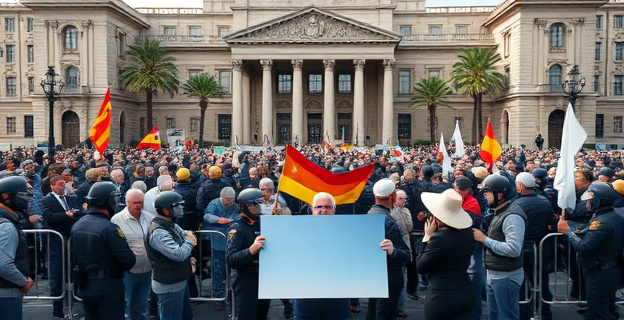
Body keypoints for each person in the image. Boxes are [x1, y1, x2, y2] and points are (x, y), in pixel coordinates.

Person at [558, 182, 624, 320]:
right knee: (607, 310)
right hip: (608, 271)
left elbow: (584, 247)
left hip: (600, 273)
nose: (587, 201)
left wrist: (567, 232)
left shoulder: (601, 222)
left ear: (599, 201)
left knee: (599, 313)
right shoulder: (612, 216)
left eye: (591, 199)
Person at [70, 181, 136, 319]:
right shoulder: (109, 228)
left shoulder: (78, 225)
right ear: (108, 201)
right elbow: (128, 260)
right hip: (108, 286)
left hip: (86, 284)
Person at [472, 174, 527, 320]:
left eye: (487, 192)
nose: (484, 196)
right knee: (495, 316)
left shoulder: (511, 216)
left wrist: (484, 239)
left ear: (500, 194)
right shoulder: (500, 211)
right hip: (496, 274)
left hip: (506, 276)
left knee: (506, 316)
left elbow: (513, 249)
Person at [417, 188, 475, 320]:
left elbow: (421, 267)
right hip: (465, 292)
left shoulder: (439, 238)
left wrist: (427, 237)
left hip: (442, 297)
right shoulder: (468, 234)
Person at [293, 192, 351, 320]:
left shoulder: (346, 231)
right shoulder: (298, 231)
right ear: (312, 209)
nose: (323, 210)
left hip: (337, 295)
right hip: (306, 296)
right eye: (319, 207)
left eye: (327, 207)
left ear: (334, 210)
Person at [146, 191, 196, 320]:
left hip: (178, 280)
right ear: (165, 210)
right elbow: (179, 254)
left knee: (185, 316)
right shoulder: (158, 232)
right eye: (177, 206)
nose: (181, 208)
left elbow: (184, 234)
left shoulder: (169, 224)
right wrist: (189, 241)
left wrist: (188, 247)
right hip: (169, 285)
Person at [41, 174, 85, 319]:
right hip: (56, 244)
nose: (63, 187)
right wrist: (67, 215)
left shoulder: (72, 198)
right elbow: (50, 217)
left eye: (64, 184)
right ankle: (57, 311)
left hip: (73, 242)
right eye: (60, 184)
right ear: (52, 186)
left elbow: (80, 213)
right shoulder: (47, 200)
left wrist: (72, 214)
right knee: (57, 276)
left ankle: (74, 305)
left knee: (75, 273)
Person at [366, 178, 411, 320]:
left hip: (373, 274)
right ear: (392, 196)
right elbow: (405, 255)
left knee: (374, 312)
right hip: (389, 277)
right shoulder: (388, 220)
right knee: (384, 314)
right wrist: (395, 252)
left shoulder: (369, 215)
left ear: (375, 197)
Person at [514, 172, 555, 320]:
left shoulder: (517, 205)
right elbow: (551, 226)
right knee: (541, 282)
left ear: (520, 186)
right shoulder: (545, 201)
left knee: (522, 284)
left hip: (524, 249)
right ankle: (545, 313)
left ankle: (525, 314)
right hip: (541, 249)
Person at [226, 188, 270, 320]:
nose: (260, 207)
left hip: (263, 277)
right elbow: (231, 259)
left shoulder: (262, 222)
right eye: (256, 204)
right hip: (245, 278)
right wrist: (251, 250)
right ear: (245, 206)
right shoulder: (237, 227)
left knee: (262, 314)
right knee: (247, 315)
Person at [110, 189, 155, 320]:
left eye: (141, 202)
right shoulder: (116, 220)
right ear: (127, 203)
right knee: (126, 304)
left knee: (141, 305)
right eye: (135, 202)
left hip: (147, 270)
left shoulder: (149, 217)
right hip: (128, 272)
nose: (138, 205)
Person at [0, 176, 35, 320]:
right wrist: (23, 281)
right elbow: (3, 264)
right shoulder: (7, 226)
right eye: (22, 194)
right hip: (6, 292)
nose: (26, 198)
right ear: (6, 196)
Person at [202, 186, 239, 310]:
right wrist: (219, 220)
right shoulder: (214, 204)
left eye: (232, 199)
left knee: (232, 272)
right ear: (221, 198)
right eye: (227, 200)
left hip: (231, 244)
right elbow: (206, 216)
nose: (230, 202)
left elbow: (238, 217)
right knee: (218, 272)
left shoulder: (235, 207)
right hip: (217, 243)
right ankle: (218, 297)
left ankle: (231, 295)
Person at [453, 176, 484, 320]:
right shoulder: (465, 201)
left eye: (457, 188)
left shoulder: (471, 204)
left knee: (472, 284)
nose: (454, 190)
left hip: (471, 250)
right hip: (467, 249)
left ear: (465, 190)